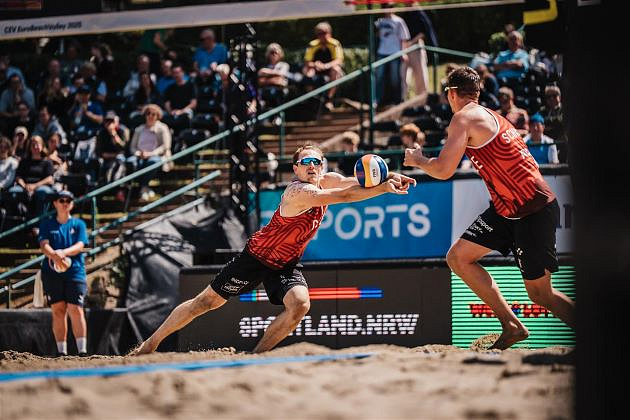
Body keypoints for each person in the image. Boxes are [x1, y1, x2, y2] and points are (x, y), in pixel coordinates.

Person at [132, 144, 416, 355]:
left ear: (322, 165)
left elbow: (355, 182)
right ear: (296, 169)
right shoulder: (298, 192)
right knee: (204, 303)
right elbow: (344, 195)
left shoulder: (327, 179)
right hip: (256, 257)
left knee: (300, 305)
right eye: (305, 162)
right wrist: (384, 189)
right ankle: (149, 345)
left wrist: (392, 176)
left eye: (316, 161)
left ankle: (257, 356)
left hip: (286, 263)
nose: (312, 166)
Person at [403, 67, 574, 350]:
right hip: (508, 208)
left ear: (452, 94)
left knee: (541, 295)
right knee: (459, 257)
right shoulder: (491, 116)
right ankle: (512, 326)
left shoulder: (464, 117)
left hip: (532, 208)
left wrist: (418, 160)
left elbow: (444, 170)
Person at [38, 190, 89, 357]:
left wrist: (63, 253)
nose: (65, 203)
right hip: (52, 273)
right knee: (58, 310)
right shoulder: (47, 224)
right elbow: (43, 244)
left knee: (76, 309)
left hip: (75, 272)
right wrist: (55, 256)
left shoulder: (79, 224)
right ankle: (62, 352)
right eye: (61, 200)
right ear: (55, 203)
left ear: (72, 204)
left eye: (68, 200)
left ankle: (82, 351)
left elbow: (80, 245)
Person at [128, 104, 172, 202]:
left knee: (153, 162)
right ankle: (141, 188)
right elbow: (132, 147)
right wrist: (139, 153)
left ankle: (143, 187)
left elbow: (166, 146)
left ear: (157, 116)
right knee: (130, 162)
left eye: (153, 114)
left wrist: (151, 154)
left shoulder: (163, 128)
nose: (150, 116)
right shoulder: (139, 129)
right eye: (148, 114)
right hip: (140, 155)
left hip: (157, 156)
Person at [9, 135, 56, 221]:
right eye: (33, 145)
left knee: (42, 192)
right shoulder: (24, 161)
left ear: (42, 146)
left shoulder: (47, 162)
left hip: (41, 186)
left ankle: (39, 222)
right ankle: (18, 220)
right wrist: (25, 186)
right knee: (13, 191)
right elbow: (18, 177)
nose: (35, 147)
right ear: (29, 147)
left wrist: (35, 186)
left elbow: (50, 179)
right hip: (24, 186)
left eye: (37, 144)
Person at [302, 22, 344, 111]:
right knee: (308, 71)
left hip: (329, 69)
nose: (322, 36)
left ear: (330, 33)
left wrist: (326, 66)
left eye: (324, 33)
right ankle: (312, 99)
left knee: (336, 70)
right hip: (316, 69)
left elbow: (339, 60)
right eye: (319, 34)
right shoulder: (312, 44)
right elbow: (307, 61)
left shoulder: (335, 44)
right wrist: (315, 64)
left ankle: (329, 99)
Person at [375, 8, 410, 106]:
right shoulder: (380, 21)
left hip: (395, 52)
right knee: (379, 76)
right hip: (382, 52)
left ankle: (397, 100)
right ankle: (377, 100)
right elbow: (377, 36)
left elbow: (404, 38)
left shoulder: (399, 21)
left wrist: (403, 52)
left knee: (395, 77)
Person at [401, 8, 437, 100]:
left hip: (416, 47)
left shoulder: (419, 13)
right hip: (405, 48)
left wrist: (411, 42)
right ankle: (404, 100)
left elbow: (424, 32)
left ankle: (422, 100)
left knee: (420, 76)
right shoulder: (405, 14)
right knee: (403, 77)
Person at [96, 111, 128, 190]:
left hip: (119, 158)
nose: (109, 124)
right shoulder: (101, 133)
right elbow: (99, 152)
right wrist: (113, 155)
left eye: (112, 121)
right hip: (106, 158)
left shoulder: (122, 131)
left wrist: (114, 134)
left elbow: (123, 148)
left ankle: (118, 186)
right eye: (107, 121)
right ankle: (104, 184)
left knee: (120, 159)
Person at [163, 64, 197, 134]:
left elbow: (193, 104)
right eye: (174, 73)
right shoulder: (170, 88)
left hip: (186, 111)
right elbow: (167, 103)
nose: (176, 75)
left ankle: (186, 135)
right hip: (173, 112)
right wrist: (171, 111)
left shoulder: (191, 86)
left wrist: (181, 111)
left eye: (178, 72)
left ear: (182, 73)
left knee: (187, 114)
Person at [539, 85, 567, 163]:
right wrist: (557, 123)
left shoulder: (565, 109)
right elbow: (539, 122)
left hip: (562, 142)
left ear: (560, 97)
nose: (551, 99)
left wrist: (549, 123)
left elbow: (562, 121)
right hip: (547, 142)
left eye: (554, 96)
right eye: (549, 97)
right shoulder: (542, 110)